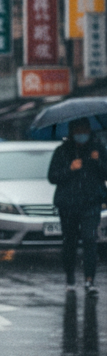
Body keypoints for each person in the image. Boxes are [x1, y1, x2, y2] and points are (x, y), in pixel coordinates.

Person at [47, 117, 107, 294]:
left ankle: (89, 281)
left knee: (90, 239)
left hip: (91, 203)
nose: (82, 135)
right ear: (72, 133)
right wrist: (70, 169)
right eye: (79, 131)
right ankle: (70, 278)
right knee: (70, 241)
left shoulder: (98, 149)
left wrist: (98, 161)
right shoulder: (62, 152)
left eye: (85, 131)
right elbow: (52, 177)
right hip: (68, 204)